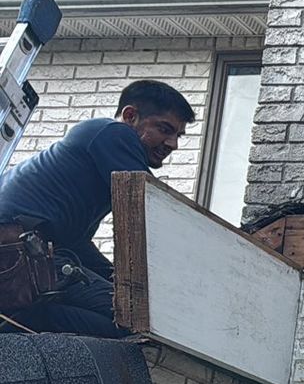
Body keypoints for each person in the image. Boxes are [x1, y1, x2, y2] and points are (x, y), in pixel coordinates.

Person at [0, 80, 194, 337]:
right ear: (130, 116)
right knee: (132, 316)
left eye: (178, 135)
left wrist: (114, 275)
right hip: (20, 253)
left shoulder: (92, 169)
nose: (173, 144)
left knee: (125, 317)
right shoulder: (113, 133)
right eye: (164, 129)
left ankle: (25, 323)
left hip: (35, 252)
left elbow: (76, 245)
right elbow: (153, 208)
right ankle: (20, 323)